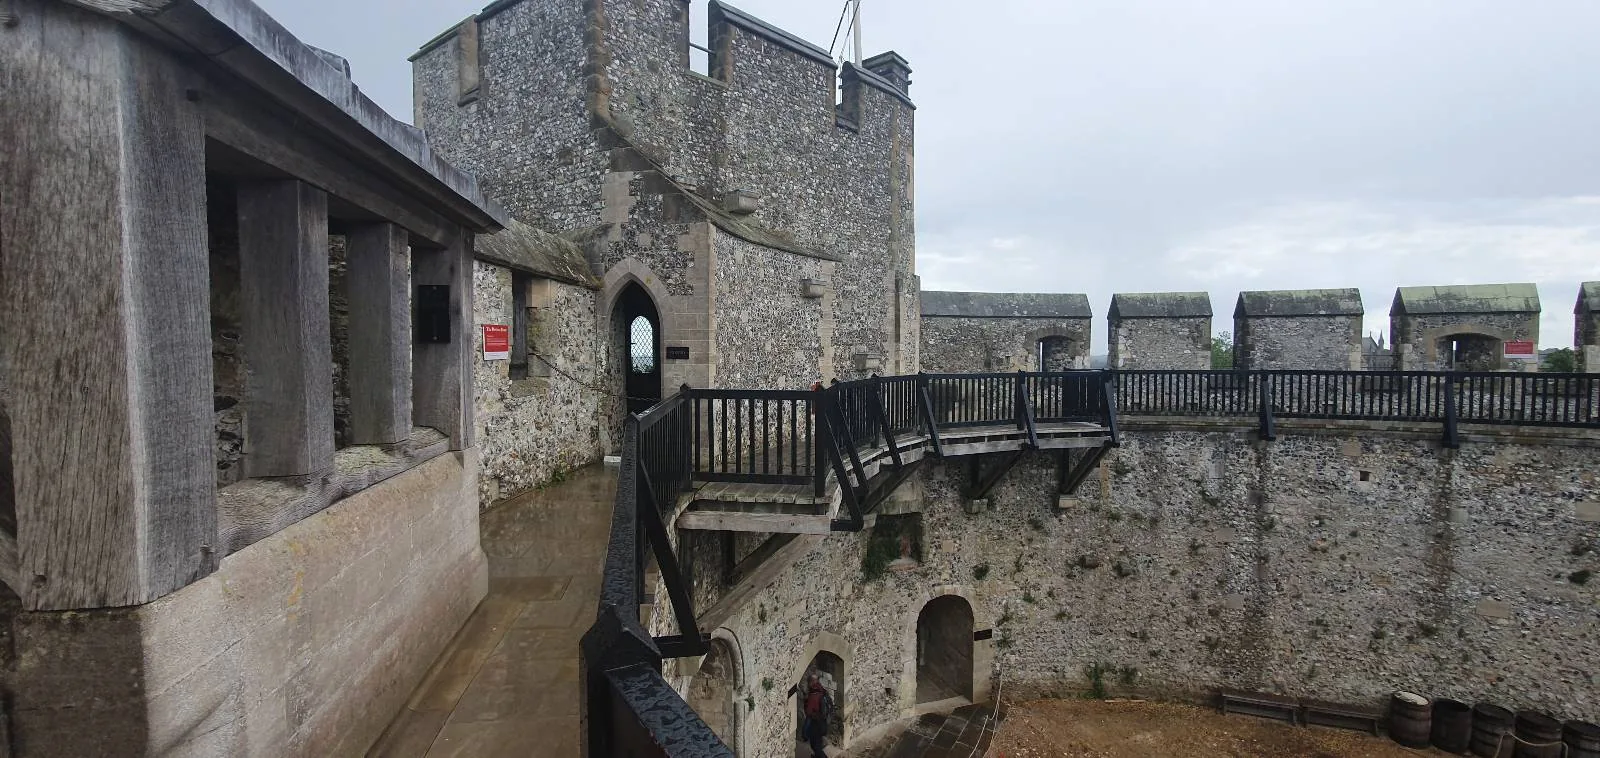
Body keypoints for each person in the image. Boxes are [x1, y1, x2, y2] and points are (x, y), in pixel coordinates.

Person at [802, 675, 833, 758]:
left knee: (815, 746)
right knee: (818, 743)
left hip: (815, 724)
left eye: (809, 682)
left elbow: (808, 712)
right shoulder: (822, 690)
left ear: (811, 682)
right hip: (823, 722)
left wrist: (806, 701)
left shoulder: (813, 695)